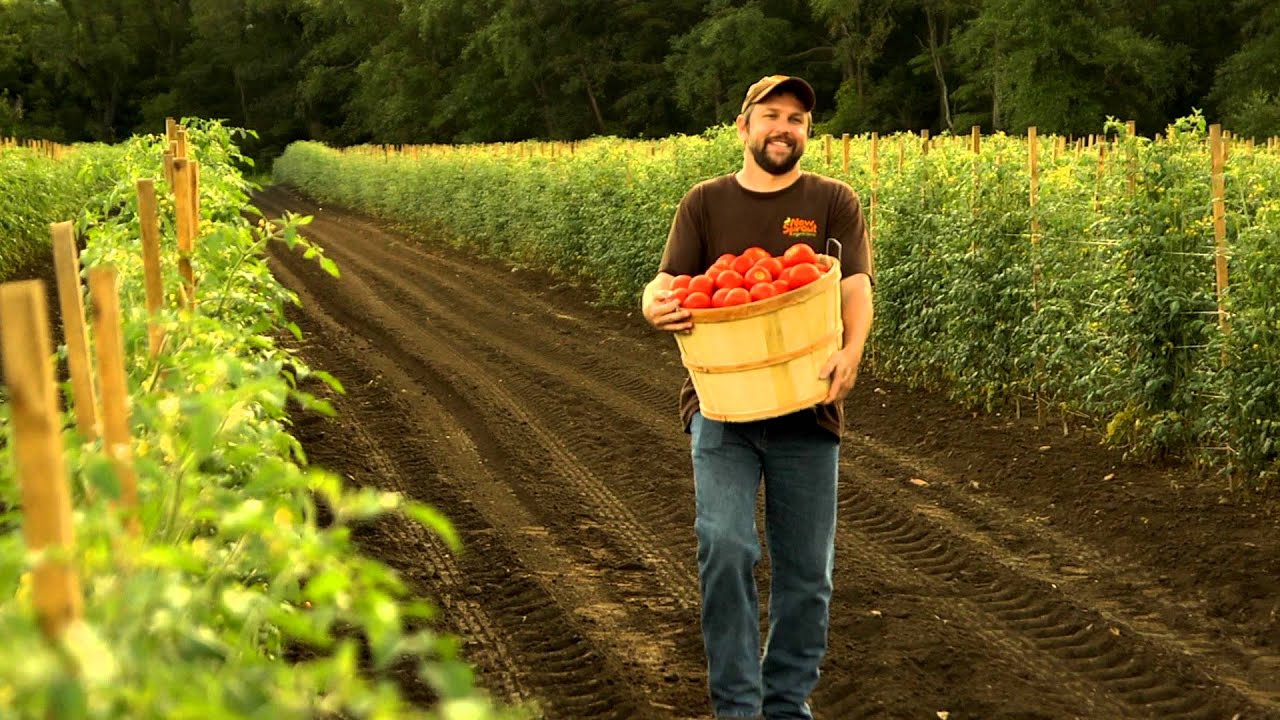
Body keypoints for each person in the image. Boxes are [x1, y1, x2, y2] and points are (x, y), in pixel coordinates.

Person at [640, 75, 874, 720]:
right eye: (771, 115)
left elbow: (853, 285)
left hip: (810, 405)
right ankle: (737, 708)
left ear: (806, 133)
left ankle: (786, 703)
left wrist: (853, 351)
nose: (784, 127)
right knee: (726, 546)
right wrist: (652, 305)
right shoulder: (705, 202)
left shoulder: (832, 200)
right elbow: (666, 284)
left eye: (797, 118)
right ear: (743, 127)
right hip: (721, 406)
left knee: (807, 573)